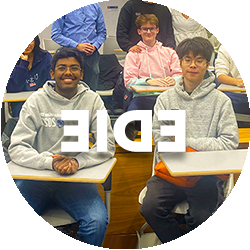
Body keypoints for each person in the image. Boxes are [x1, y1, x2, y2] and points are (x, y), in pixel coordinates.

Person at [1, 47, 116, 248]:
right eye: (62, 68)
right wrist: (50, 163)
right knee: (10, 228)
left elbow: (106, 144)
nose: (68, 72)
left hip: (76, 179)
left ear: (82, 73)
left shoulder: (92, 100)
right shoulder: (36, 101)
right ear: (52, 73)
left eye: (74, 68)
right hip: (34, 179)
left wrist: (77, 162)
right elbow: (17, 146)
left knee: (96, 223)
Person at [140, 37, 239, 246]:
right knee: (149, 207)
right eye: (188, 59)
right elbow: (161, 138)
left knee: (202, 218)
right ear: (180, 63)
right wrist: (195, 145)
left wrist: (186, 141)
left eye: (199, 60)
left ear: (207, 65)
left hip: (207, 174)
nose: (193, 65)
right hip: (171, 172)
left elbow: (229, 142)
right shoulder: (165, 99)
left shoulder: (221, 101)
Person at [124, 14, 182, 114]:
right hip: (142, 98)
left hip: (168, 97)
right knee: (131, 118)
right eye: (145, 29)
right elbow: (128, 82)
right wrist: (147, 81)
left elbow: (181, 77)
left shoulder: (170, 53)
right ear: (139, 31)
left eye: (152, 28)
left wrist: (173, 80)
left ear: (157, 30)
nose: (149, 32)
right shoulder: (133, 55)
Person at [51, 0, 106, 92]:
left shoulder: (95, 5)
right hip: (70, 55)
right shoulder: (62, 4)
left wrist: (95, 46)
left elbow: (102, 33)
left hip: (91, 55)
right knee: (69, 90)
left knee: (91, 91)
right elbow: (56, 34)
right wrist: (76, 46)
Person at [2, 25, 52, 117]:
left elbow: (52, 81)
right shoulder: (8, 61)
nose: (27, 44)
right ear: (17, 42)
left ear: (35, 42)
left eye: (31, 40)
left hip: (44, 100)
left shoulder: (45, 57)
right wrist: (23, 64)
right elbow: (13, 88)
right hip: (20, 104)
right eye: (23, 40)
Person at [215, 2, 250, 116]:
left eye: (248, 18)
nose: (245, 22)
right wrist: (238, 82)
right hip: (233, 94)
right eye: (241, 19)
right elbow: (220, 75)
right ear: (236, 22)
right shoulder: (226, 46)